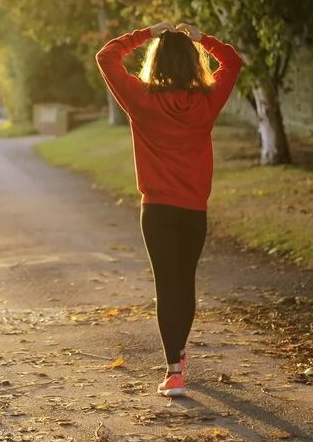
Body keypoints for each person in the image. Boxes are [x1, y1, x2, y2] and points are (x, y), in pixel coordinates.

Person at [95, 21, 244, 397]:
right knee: (185, 283)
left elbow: (106, 56)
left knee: (166, 286)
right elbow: (233, 61)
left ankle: (174, 371)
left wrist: (146, 33)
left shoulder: (141, 99)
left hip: (157, 211)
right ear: (193, 63)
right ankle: (178, 354)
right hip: (193, 210)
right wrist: (202, 39)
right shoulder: (207, 101)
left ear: (156, 62)